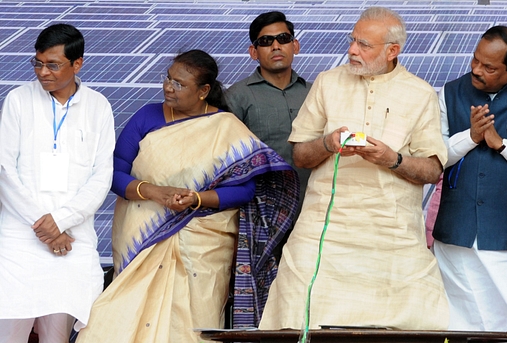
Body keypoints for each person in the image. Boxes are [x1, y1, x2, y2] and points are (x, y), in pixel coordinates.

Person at [76, 50, 299, 342]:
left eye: (179, 84)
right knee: (115, 319)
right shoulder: (146, 116)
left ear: (204, 91)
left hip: (203, 247)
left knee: (191, 327)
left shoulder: (226, 127)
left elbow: (245, 190)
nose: (169, 86)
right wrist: (154, 192)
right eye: (168, 78)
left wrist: (196, 199)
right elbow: (115, 174)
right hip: (143, 234)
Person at [259, 7, 449, 330]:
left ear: (392, 51)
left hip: (391, 235)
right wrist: (329, 144)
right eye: (352, 41)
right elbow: (301, 156)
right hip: (323, 231)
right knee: (295, 312)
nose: (352, 50)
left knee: (415, 319)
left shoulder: (420, 93)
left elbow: (432, 170)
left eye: (364, 45)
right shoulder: (327, 83)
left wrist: (392, 159)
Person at [432, 26, 507, 343]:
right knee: (458, 327)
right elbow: (433, 158)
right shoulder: (449, 93)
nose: (476, 70)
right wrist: (470, 138)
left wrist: (502, 145)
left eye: (489, 67)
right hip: (458, 237)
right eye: (475, 60)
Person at [0, 24, 115, 342]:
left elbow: (101, 176)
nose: (42, 72)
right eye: (37, 63)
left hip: (71, 244)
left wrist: (61, 223)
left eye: (53, 64)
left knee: (57, 338)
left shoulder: (98, 106)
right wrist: (46, 228)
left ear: (77, 64)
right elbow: (5, 172)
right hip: (18, 244)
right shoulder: (18, 100)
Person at [226, 11, 312, 220]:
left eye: (283, 39)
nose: (276, 46)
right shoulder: (236, 97)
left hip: (314, 211)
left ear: (296, 46)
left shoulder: (316, 93)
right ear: (253, 52)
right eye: (265, 41)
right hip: (260, 215)